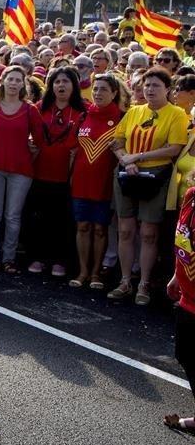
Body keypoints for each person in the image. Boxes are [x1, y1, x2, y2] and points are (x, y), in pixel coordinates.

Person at [109, 68, 186, 304]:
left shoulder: (177, 114)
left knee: (149, 233)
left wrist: (138, 157)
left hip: (156, 176)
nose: (150, 90)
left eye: (156, 86)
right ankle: (124, 281)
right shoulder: (133, 111)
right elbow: (117, 142)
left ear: (168, 89)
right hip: (127, 174)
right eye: (147, 85)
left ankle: (144, 283)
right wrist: (125, 159)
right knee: (125, 230)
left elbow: (174, 148)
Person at [0, 66, 42, 273]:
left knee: (13, 216)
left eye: (18, 80)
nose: (14, 83)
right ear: (3, 81)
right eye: (11, 79)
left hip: (21, 170)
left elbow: (39, 141)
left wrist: (27, 156)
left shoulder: (30, 109)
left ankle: (8, 258)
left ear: (23, 84)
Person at [26, 67, 83, 278]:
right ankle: (38, 257)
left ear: (74, 86)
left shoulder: (83, 111)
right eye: (57, 81)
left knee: (63, 221)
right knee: (39, 219)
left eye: (66, 82)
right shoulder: (40, 108)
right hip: (40, 172)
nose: (61, 85)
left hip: (66, 176)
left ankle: (61, 260)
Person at [70, 73, 126, 289]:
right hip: (81, 181)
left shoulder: (122, 118)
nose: (98, 93)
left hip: (105, 183)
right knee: (83, 226)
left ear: (114, 93)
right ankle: (83, 271)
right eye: (95, 89)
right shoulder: (84, 115)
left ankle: (96, 274)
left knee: (100, 229)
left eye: (104, 89)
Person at [165, 184, 195, 444]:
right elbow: (183, 239)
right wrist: (177, 275)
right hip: (188, 300)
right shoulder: (191, 195)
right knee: (185, 355)